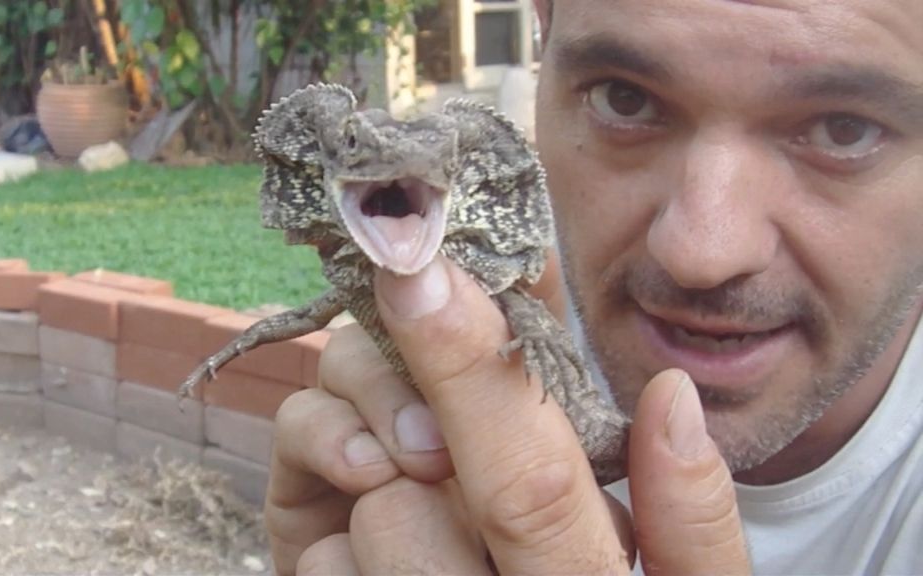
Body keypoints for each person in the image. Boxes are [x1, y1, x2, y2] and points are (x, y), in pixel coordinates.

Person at [264, 1, 923, 573]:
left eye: (845, 129)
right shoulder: (485, 324)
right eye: (623, 98)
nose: (700, 253)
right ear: (541, 44)